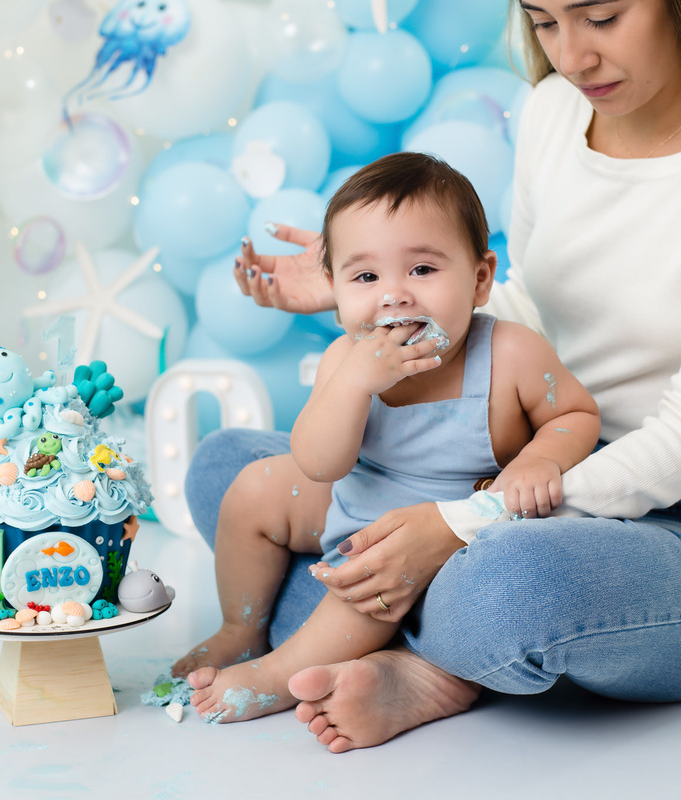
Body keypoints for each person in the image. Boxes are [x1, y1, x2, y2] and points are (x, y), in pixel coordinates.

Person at [185, 0, 681, 753]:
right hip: (505, 478)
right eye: (544, 23)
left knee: (512, 591)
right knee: (229, 471)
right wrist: (383, 294)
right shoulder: (555, 109)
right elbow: (530, 314)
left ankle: (428, 660)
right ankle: (420, 641)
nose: (572, 57)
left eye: (600, 18)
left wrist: (463, 527)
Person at [173, 152, 601, 724]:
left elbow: (575, 413)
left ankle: (278, 676)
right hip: (352, 502)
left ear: (480, 279)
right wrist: (353, 384)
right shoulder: (343, 359)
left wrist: (541, 458)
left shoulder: (510, 354)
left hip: (434, 541)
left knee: (365, 594)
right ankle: (241, 626)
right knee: (254, 486)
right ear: (334, 287)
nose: (394, 295)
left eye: (422, 270)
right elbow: (319, 464)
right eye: (366, 277)